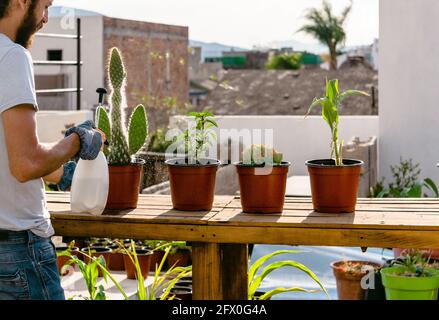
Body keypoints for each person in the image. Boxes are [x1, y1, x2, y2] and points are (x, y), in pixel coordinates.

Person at [0, 0, 104, 300]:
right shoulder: (11, 56)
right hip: (17, 249)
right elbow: (25, 165)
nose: (46, 18)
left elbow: (8, 153)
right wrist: (77, 140)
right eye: (45, 5)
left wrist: (59, 171)